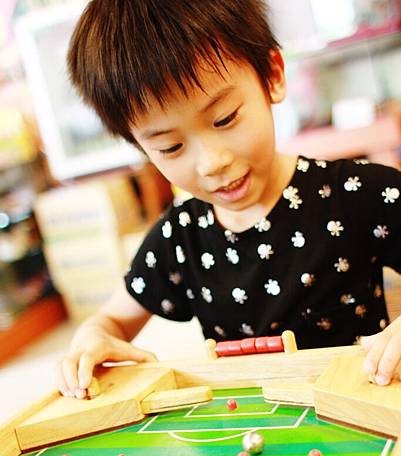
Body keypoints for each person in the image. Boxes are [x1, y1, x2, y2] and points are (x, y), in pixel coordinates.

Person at [57, 0, 401, 398]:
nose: (212, 163)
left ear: (272, 75)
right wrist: (92, 340)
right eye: (170, 147)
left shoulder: (356, 193)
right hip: (248, 428)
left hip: (360, 413)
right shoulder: (180, 236)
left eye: (224, 119)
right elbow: (111, 321)